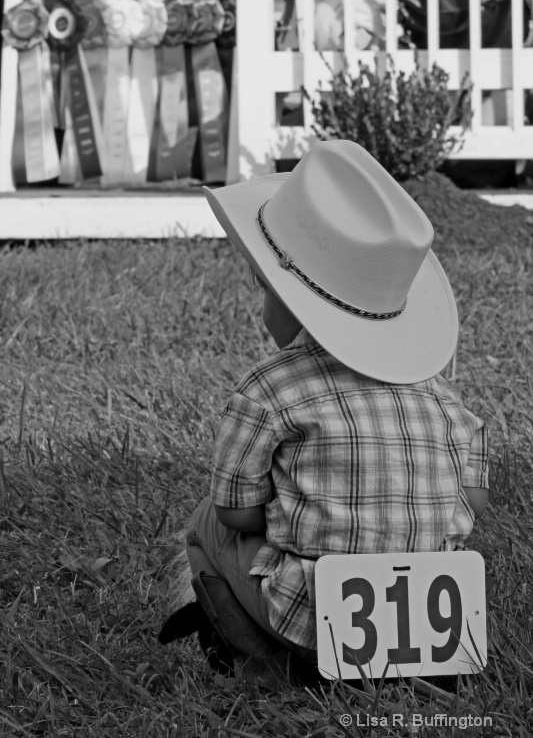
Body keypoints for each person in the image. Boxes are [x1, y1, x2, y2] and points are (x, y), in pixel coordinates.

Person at [159, 140, 489, 684]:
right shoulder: (445, 398)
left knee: (203, 525)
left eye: (264, 289)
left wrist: (308, 514)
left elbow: (235, 516)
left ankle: (265, 660)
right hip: (440, 624)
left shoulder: (269, 388)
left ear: (291, 299)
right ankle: (408, 663)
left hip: (310, 617)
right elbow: (472, 502)